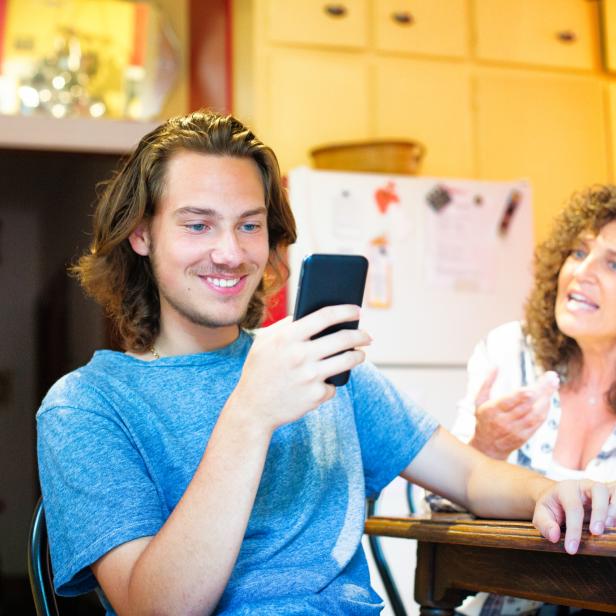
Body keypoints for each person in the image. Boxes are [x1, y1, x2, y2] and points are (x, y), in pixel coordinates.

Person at [36, 111, 615, 616]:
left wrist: (548, 493)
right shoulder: (86, 405)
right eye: (197, 224)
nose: (231, 252)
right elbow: (155, 607)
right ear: (140, 234)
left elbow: (468, 475)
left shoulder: (318, 362)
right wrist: (249, 415)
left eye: (249, 224)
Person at [436, 184, 616, 615]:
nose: (581, 273)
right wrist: (486, 447)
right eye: (578, 252)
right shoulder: (510, 352)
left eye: (612, 263)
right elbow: (441, 500)